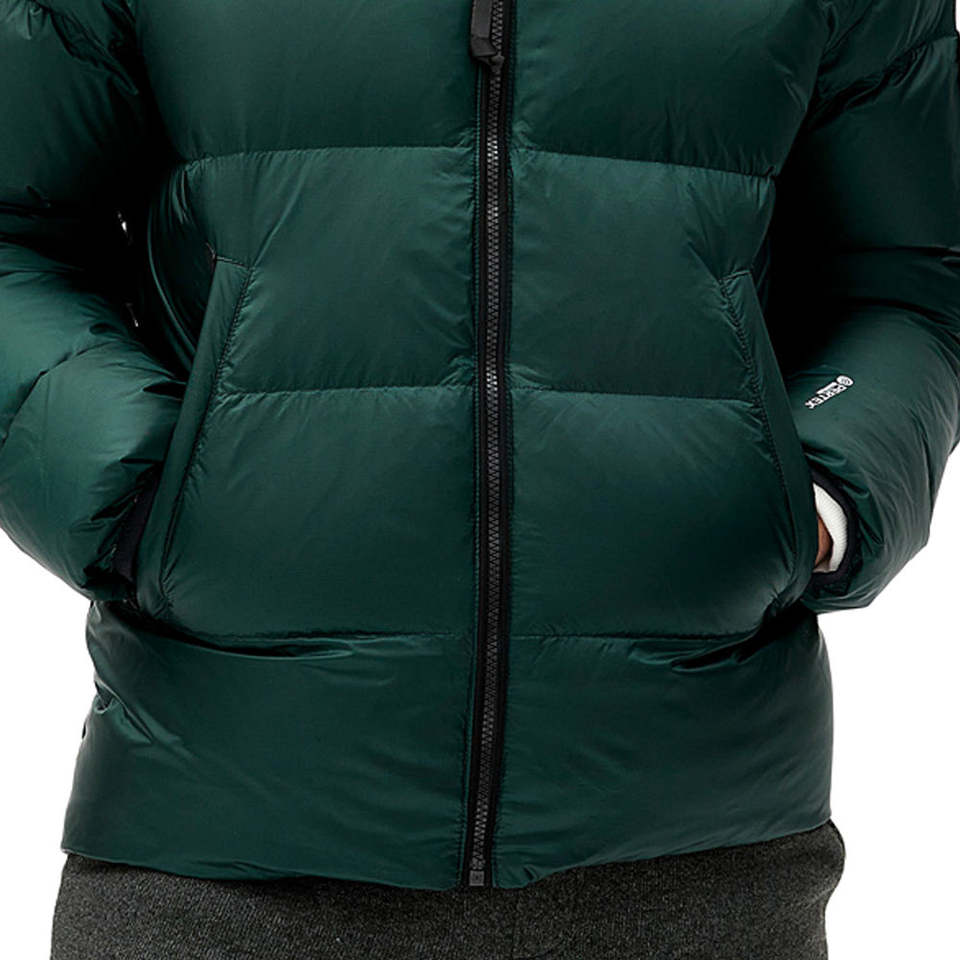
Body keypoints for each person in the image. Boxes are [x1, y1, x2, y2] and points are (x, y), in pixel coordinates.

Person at [1, 0, 958, 957]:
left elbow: (913, 273)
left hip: (701, 862)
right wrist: (140, 491)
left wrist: (817, 495)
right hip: (214, 850)